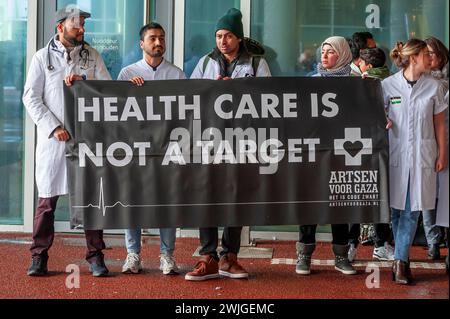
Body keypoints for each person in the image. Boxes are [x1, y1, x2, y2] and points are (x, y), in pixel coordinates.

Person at [23, 5, 112, 277]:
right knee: (47, 201)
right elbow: (31, 97)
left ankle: (95, 256)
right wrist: (53, 127)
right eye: (77, 25)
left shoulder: (91, 56)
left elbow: (106, 89)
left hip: (85, 139)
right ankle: (39, 257)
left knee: (89, 199)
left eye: (84, 25)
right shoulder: (41, 58)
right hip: (55, 141)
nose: (82, 30)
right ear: (60, 27)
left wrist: (85, 81)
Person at [185, 8, 271, 281]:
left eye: (228, 35)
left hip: (243, 141)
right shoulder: (206, 61)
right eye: (219, 36)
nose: (222, 41)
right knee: (207, 194)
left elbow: (270, 99)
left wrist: (237, 89)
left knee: (237, 195)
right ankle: (208, 256)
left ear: (239, 37)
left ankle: (229, 256)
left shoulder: (256, 63)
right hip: (209, 140)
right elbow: (191, 96)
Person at [117, 22, 186, 275]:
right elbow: (117, 112)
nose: (158, 43)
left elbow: (184, 113)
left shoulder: (177, 75)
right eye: (153, 38)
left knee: (167, 201)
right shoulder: (127, 74)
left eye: (162, 38)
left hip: (167, 149)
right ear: (142, 44)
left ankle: (167, 255)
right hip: (136, 150)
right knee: (133, 200)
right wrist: (129, 92)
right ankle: (133, 254)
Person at [382, 39, 448, 284]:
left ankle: (400, 262)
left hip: (423, 156)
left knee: (411, 210)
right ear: (413, 58)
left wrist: (443, 153)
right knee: (398, 212)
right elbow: (379, 116)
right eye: (425, 55)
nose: (430, 59)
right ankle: (402, 260)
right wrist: (384, 120)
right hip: (397, 155)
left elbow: (440, 123)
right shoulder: (388, 85)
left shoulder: (434, 87)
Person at [296, 36, 356, 276]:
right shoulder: (312, 82)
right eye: (323, 51)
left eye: (331, 52)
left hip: (342, 152)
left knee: (339, 204)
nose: (324, 55)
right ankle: (304, 254)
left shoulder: (355, 84)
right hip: (314, 152)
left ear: (341, 54)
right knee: (310, 203)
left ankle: (341, 256)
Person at [348, 47, 395, 263]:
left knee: (358, 195)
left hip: (361, 147)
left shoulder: (367, 84)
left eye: (360, 63)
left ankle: (352, 245)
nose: (357, 66)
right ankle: (380, 244)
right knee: (378, 196)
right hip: (376, 147)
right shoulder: (393, 81)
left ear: (368, 66)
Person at [421, 37, 449, 260]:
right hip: (426, 144)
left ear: (441, 54)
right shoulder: (419, 80)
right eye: (425, 53)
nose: (428, 57)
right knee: (427, 196)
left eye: (432, 53)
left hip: (446, 143)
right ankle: (433, 241)